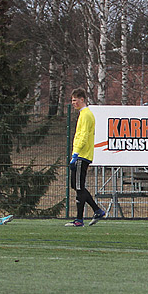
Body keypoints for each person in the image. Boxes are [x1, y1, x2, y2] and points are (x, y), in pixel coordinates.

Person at [66, 88, 106, 227]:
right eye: (72, 100)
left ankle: (80, 219)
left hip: (82, 155)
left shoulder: (86, 115)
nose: (73, 103)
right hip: (83, 155)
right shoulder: (85, 114)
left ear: (82, 99)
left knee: (78, 187)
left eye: (75, 100)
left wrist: (75, 154)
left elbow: (82, 136)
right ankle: (96, 210)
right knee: (77, 186)